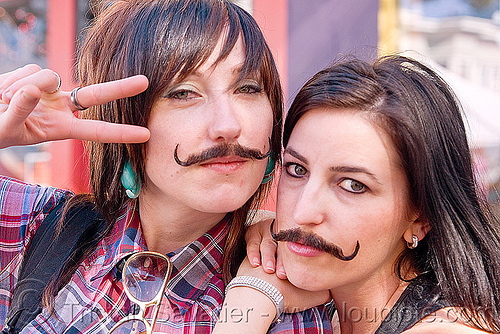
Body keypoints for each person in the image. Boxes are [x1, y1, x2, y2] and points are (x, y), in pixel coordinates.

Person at [0, 0, 332, 332]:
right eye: (183, 93)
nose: (228, 125)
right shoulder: (37, 226)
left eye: (247, 88)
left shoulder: (285, 299)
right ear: (122, 116)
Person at [214, 55, 500, 333]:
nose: (303, 212)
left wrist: (251, 298)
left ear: (421, 216)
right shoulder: (326, 314)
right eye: (297, 169)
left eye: (353, 185)